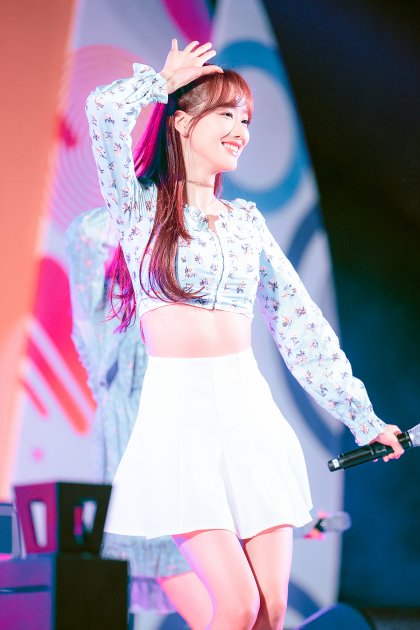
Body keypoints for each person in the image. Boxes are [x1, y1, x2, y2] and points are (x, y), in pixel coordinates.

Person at [85, 39, 404, 630]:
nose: (241, 131)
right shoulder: (141, 210)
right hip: (180, 420)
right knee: (236, 606)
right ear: (182, 123)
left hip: (249, 415)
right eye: (226, 114)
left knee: (270, 612)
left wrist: (363, 418)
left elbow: (300, 325)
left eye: (247, 119)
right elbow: (103, 113)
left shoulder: (246, 223)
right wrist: (160, 83)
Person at [66, 207, 212, 628]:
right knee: (168, 542)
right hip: (137, 413)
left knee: (221, 586)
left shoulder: (198, 222)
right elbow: (91, 333)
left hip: (185, 408)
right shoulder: (96, 231)